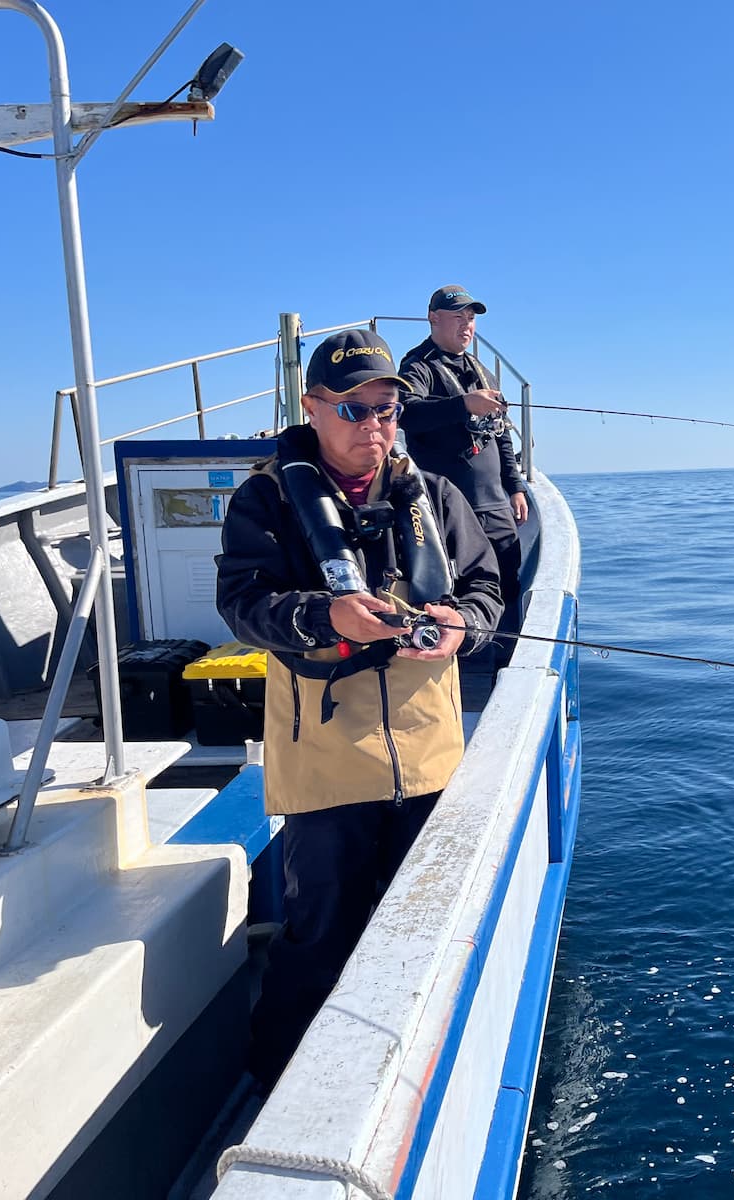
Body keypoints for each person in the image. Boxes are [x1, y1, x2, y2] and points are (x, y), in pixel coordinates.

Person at [215, 327, 502, 1091]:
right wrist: (323, 616)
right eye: (352, 409)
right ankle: (277, 1087)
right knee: (320, 936)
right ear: (311, 408)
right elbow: (243, 603)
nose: (373, 424)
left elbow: (484, 591)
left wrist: (459, 628)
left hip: (430, 756)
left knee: (418, 929)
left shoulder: (434, 495)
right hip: (328, 764)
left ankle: (405, 1074)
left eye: (387, 407)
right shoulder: (267, 500)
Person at [397, 285, 527, 664]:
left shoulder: (481, 370)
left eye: (470, 318)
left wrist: (515, 486)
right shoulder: (417, 366)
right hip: (448, 509)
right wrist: (462, 405)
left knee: (506, 580)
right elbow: (407, 413)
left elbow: (500, 431)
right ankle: (460, 659)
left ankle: (505, 658)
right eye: (458, 317)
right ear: (434, 318)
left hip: (494, 502)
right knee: (455, 588)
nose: (466, 325)